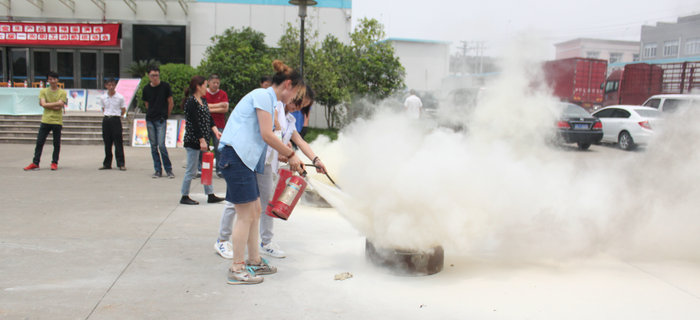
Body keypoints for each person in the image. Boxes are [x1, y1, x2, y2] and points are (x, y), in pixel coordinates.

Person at [217, 60, 306, 285]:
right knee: (246, 215)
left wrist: (286, 154)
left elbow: (263, 136)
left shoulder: (269, 99)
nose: (296, 99)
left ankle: (254, 261)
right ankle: (237, 268)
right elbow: (267, 135)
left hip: (243, 160)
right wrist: (291, 154)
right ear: (288, 85)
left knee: (255, 210)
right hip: (236, 157)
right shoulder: (263, 96)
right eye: (297, 93)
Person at [214, 84, 327, 260]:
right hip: (248, 159)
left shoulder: (289, 120)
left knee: (264, 204)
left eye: (303, 105)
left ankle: (265, 243)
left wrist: (315, 160)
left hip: (265, 164)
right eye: (299, 101)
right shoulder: (273, 106)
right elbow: (268, 134)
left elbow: (299, 140)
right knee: (237, 203)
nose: (298, 106)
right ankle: (223, 239)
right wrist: (287, 154)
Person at [179, 76, 225, 205]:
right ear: (198, 86)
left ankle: (210, 194)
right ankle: (184, 195)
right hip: (194, 141)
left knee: (207, 167)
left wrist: (216, 131)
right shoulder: (191, 102)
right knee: (192, 170)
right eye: (205, 85)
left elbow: (208, 118)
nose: (207, 88)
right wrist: (202, 140)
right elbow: (194, 123)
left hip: (203, 140)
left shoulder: (203, 101)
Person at [24, 71, 67, 171]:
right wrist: (54, 105)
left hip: (57, 121)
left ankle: (54, 162)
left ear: (57, 80)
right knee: (40, 141)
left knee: (56, 143)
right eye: (50, 79)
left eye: (54, 79)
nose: (52, 81)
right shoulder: (43, 91)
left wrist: (47, 104)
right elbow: (44, 104)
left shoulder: (62, 92)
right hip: (45, 120)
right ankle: (35, 162)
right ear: (48, 80)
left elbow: (60, 104)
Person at [142, 66, 175, 179]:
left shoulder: (165, 86)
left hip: (161, 119)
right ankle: (157, 170)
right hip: (150, 119)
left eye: (157, 75)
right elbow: (146, 104)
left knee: (161, 145)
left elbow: (170, 102)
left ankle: (168, 169)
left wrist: (166, 115)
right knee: (153, 146)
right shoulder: (146, 89)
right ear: (148, 76)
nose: (155, 77)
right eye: (152, 75)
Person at [98, 78, 126, 171]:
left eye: (113, 85)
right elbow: (103, 108)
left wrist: (117, 116)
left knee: (118, 142)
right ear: (106, 86)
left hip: (116, 120)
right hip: (106, 120)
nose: (111, 87)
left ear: (115, 85)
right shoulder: (103, 97)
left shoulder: (120, 97)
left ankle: (121, 163)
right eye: (109, 85)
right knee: (107, 142)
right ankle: (107, 164)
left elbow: (123, 109)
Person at [205, 74, 229, 178]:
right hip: (205, 124)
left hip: (219, 124)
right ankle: (201, 168)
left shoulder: (223, 94)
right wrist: (219, 105)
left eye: (218, 83)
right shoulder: (204, 93)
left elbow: (225, 108)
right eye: (214, 82)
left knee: (219, 147)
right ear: (208, 82)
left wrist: (209, 107)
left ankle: (220, 169)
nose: (216, 85)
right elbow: (203, 107)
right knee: (204, 147)